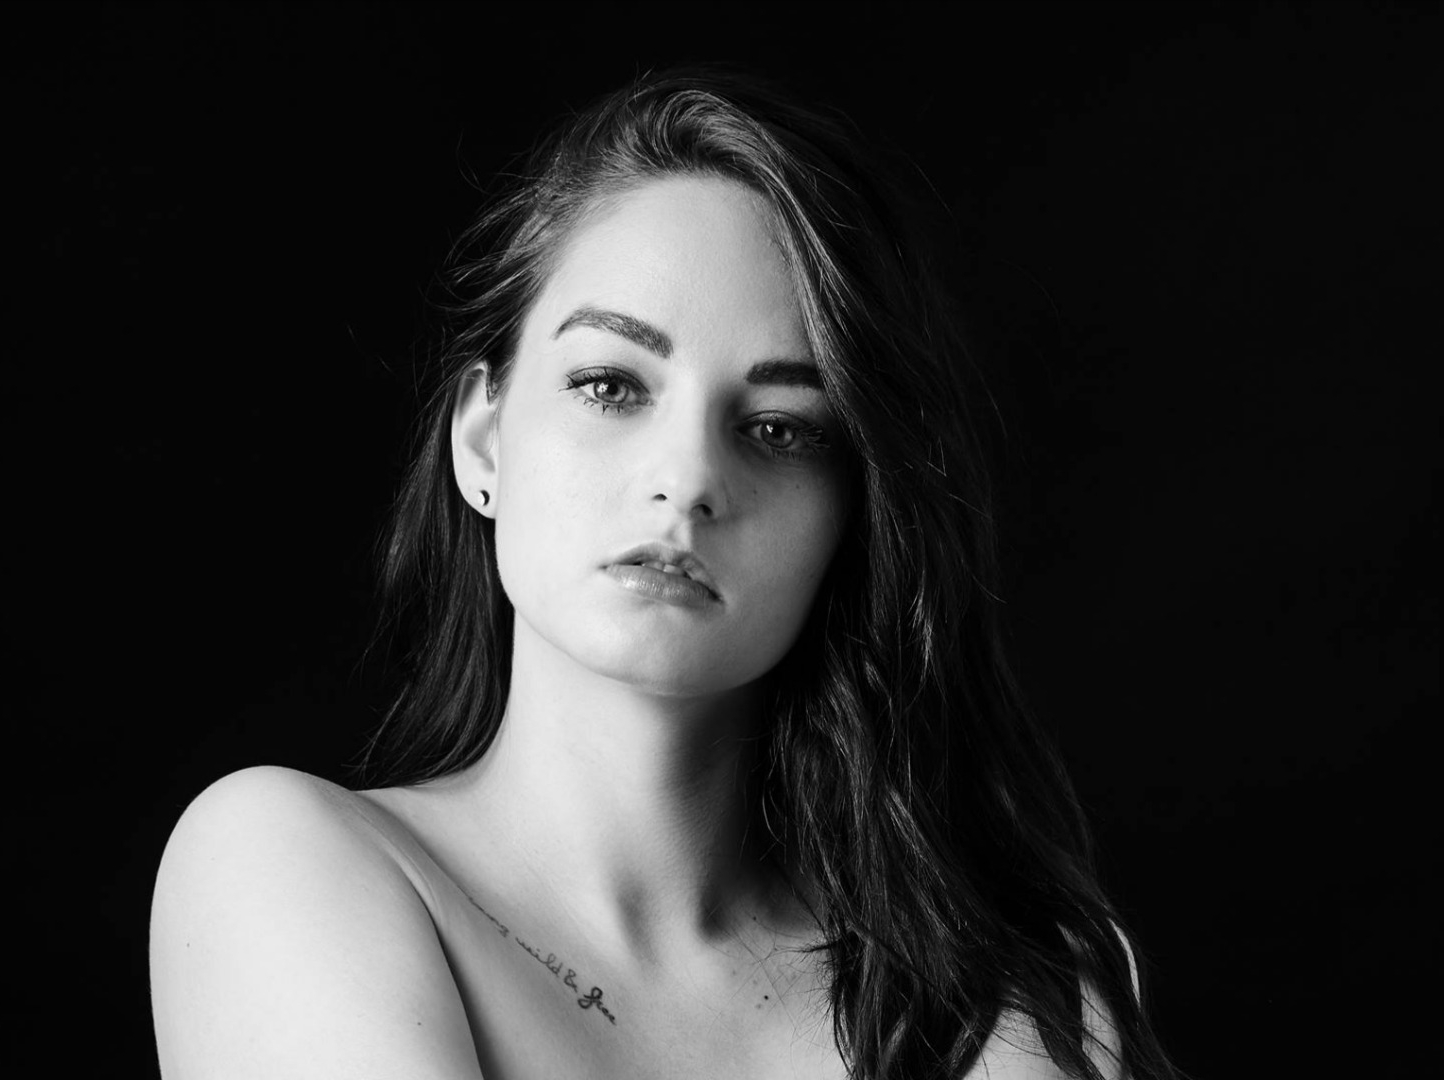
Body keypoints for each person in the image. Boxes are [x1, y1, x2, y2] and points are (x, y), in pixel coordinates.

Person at [150, 69, 1177, 1079]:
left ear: (853, 516)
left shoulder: (992, 997)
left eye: (778, 428)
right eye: (609, 385)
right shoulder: (286, 861)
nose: (685, 481)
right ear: (482, 440)